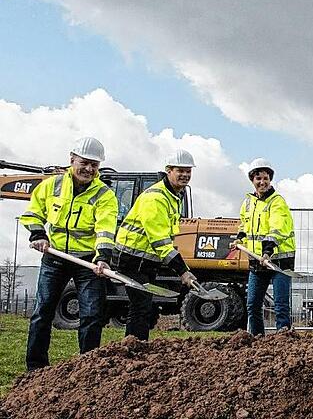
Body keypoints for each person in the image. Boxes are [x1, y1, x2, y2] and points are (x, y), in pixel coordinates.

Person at [20, 137, 118, 370]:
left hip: (87, 262)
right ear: (72, 159)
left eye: (94, 165)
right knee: (42, 312)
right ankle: (36, 367)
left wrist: (102, 258)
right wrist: (38, 236)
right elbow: (32, 214)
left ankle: (88, 368)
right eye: (84, 162)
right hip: (54, 257)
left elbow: (105, 229)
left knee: (92, 315)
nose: (89, 169)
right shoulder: (50, 186)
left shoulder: (105, 195)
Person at [113, 149, 197, 340]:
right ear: (169, 170)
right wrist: (183, 271)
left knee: (145, 306)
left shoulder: (174, 196)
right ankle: (134, 347)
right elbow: (160, 242)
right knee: (141, 306)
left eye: (188, 171)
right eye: (180, 170)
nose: (185, 175)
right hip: (132, 259)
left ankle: (138, 345)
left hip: (147, 261)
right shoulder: (156, 198)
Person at [235, 158, 295, 335]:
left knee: (280, 305)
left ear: (270, 180)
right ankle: (257, 340)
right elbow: (244, 225)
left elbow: (277, 228)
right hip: (257, 261)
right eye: (258, 178)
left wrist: (268, 251)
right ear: (252, 180)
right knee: (253, 304)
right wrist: (240, 238)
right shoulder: (247, 203)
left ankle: (282, 340)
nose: (262, 182)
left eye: (266, 178)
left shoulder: (277, 202)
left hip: (279, 261)